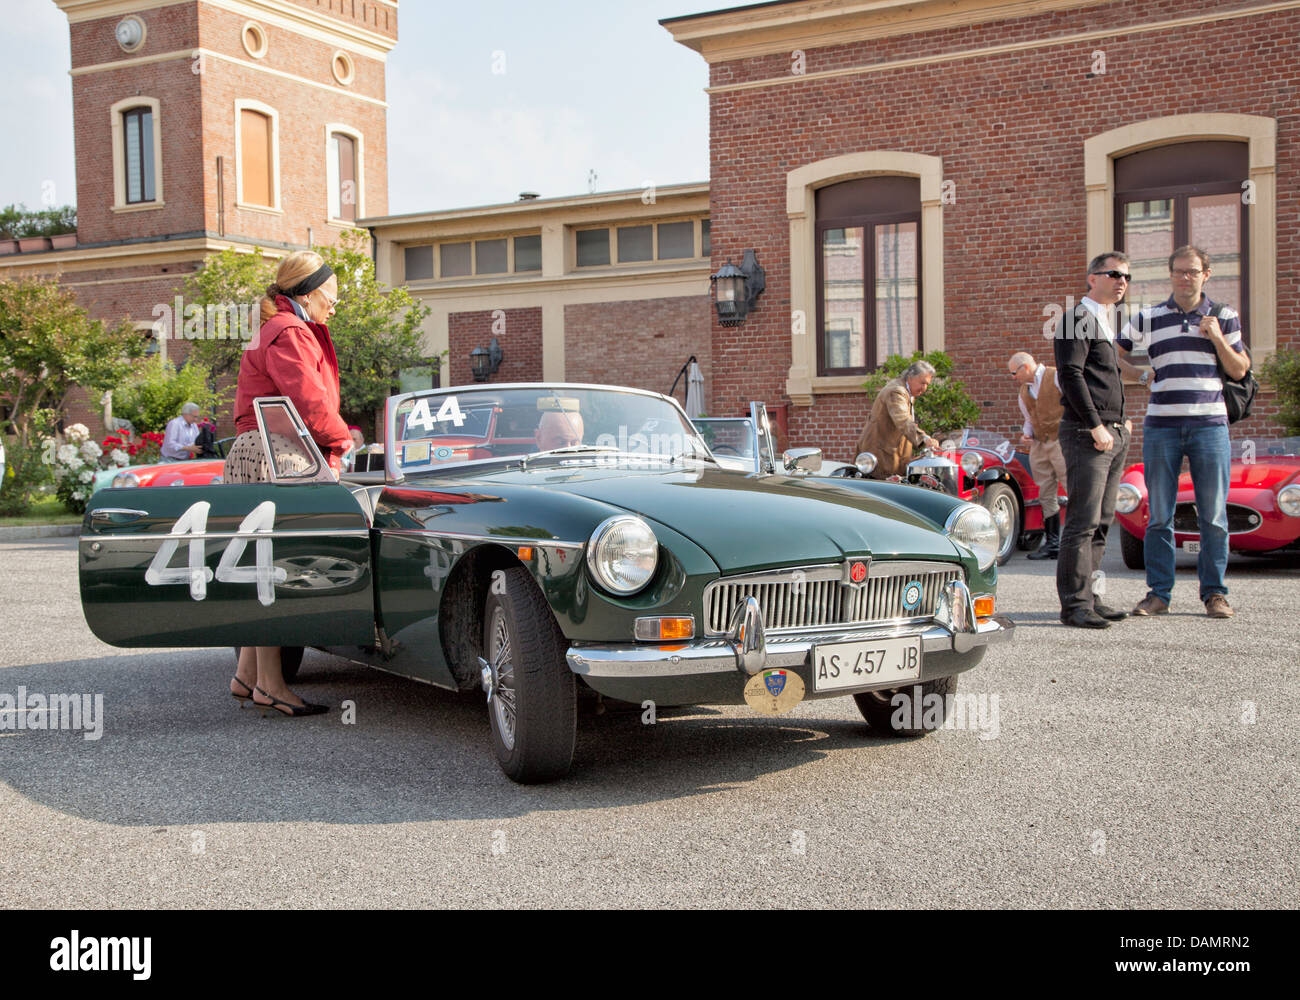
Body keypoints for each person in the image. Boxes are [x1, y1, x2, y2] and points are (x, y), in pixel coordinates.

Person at [226, 250, 353, 717]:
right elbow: (310, 402)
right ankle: (273, 685)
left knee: (260, 566)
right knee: (277, 570)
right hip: (276, 454)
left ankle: (248, 673)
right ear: (309, 292)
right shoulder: (291, 331)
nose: (335, 306)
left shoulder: (272, 328)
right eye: (333, 297)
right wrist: (343, 442)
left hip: (254, 451)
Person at [1119, 246, 1250, 620]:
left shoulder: (1223, 315)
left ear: (1206, 274)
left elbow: (1240, 369)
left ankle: (1215, 594)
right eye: (1178, 271)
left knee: (1212, 516)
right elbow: (1112, 354)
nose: (1184, 278)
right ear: (1170, 274)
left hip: (1209, 425)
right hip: (1161, 424)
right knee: (1159, 514)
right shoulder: (1148, 317)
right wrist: (1142, 375)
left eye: (1192, 272)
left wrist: (1218, 338)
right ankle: (1158, 594)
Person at [1053, 252, 1134, 629]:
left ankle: (1091, 597)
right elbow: (1071, 375)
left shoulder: (1103, 320)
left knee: (1102, 521)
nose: (1122, 282)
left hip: (1114, 433)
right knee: (1082, 522)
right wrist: (1097, 424)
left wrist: (1121, 421)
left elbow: (1106, 378)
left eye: (1127, 277)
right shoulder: (1075, 319)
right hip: (1088, 434)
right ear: (1092, 278)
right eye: (1114, 274)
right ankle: (1074, 606)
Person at [1008, 350, 1067, 560]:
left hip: (1061, 440)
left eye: (1014, 373)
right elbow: (1029, 418)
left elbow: (1073, 403)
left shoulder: (1056, 376)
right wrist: (1027, 434)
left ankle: (1080, 542)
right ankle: (1052, 543)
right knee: (1045, 492)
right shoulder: (1024, 392)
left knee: (1073, 487)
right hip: (1039, 444)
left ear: (1025, 367)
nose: (1014, 378)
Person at [855, 360, 941, 478]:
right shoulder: (896, 392)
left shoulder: (906, 391)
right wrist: (924, 438)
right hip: (879, 457)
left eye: (927, 384)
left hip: (888, 455)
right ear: (910, 377)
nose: (924, 388)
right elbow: (903, 420)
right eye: (922, 383)